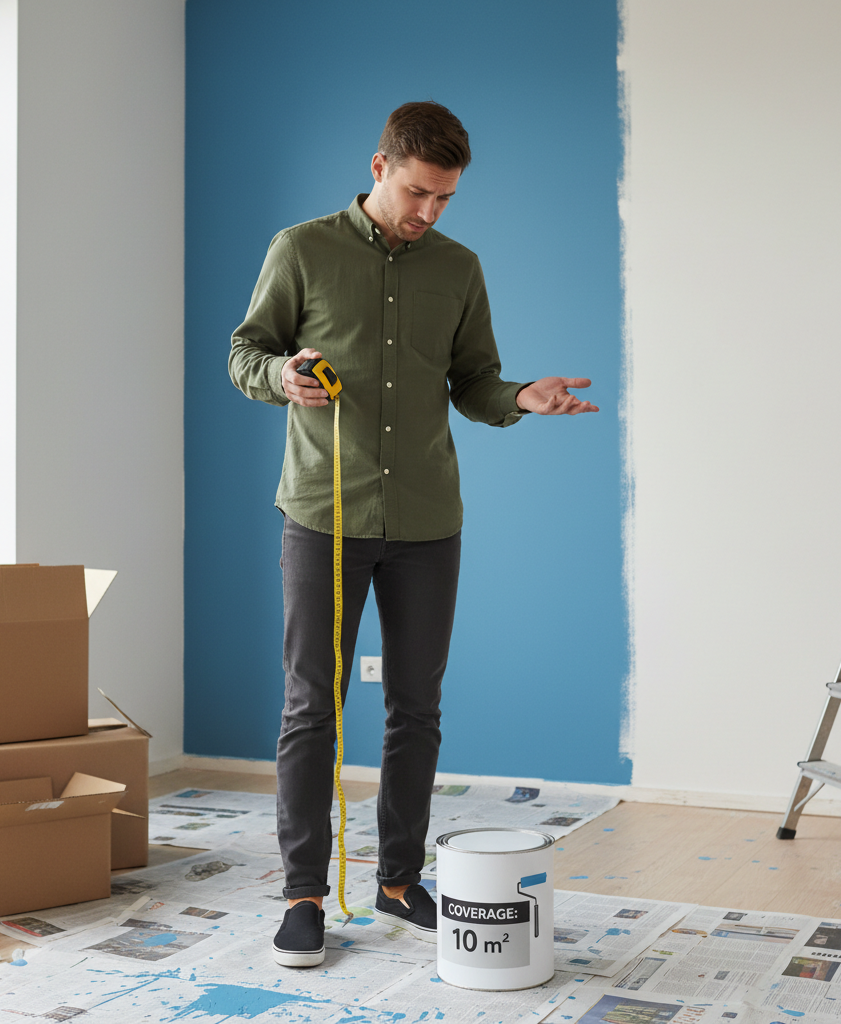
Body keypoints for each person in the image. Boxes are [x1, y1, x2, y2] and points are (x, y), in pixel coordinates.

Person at [228, 100, 598, 968]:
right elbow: (245, 353)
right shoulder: (302, 249)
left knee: (416, 708)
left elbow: (473, 381)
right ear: (379, 167)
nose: (429, 212)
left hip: (430, 521)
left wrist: (520, 398)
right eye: (418, 192)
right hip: (324, 513)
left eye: (445, 199)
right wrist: (283, 375)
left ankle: (398, 882)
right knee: (311, 706)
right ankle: (304, 896)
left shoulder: (459, 269)